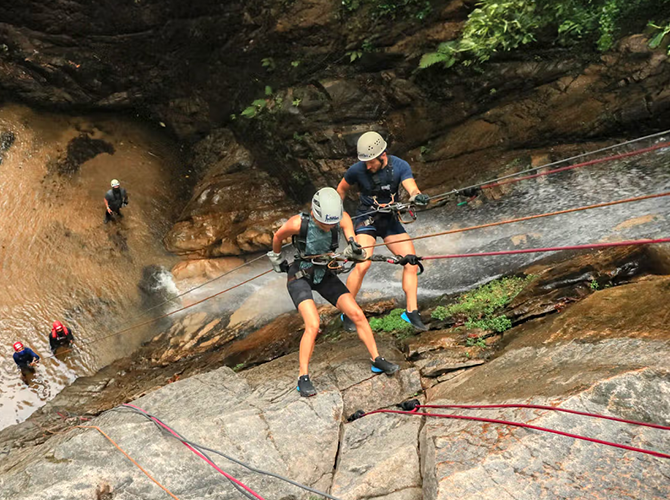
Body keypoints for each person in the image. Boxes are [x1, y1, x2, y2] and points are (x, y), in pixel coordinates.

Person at [267, 187, 400, 397]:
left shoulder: (342, 218)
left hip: (325, 272)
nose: (329, 227)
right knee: (313, 324)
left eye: (332, 223)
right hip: (299, 275)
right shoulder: (297, 223)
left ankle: (377, 359)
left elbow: (351, 240)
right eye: (324, 224)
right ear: (314, 215)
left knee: (356, 314)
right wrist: (276, 258)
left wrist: (354, 249)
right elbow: (277, 236)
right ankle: (303, 377)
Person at [337, 131, 430, 332]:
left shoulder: (400, 166)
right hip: (366, 219)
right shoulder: (356, 170)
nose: (368, 166)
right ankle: (347, 311)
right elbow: (341, 190)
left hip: (389, 220)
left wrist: (417, 197)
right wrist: (339, 212)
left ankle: (411, 312)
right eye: (365, 162)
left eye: (371, 162)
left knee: (411, 261)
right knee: (363, 264)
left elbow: (412, 189)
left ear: (383, 155)